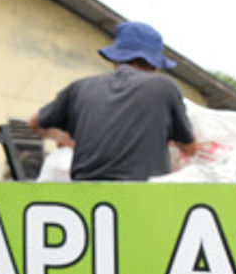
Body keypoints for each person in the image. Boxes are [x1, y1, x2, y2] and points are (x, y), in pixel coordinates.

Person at [29, 20, 197, 181]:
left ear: (115, 58)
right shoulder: (164, 87)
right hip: (144, 198)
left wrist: (64, 138)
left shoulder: (80, 88)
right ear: (154, 65)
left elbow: (34, 123)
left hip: (85, 195)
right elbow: (190, 148)